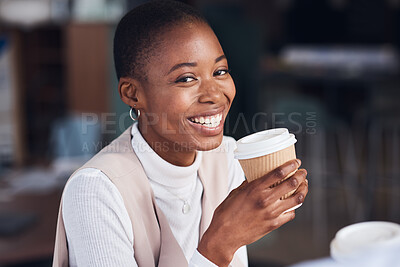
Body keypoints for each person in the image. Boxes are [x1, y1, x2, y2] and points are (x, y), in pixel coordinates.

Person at [52, 1, 309, 267]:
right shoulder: (96, 190)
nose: (214, 95)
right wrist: (220, 244)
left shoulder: (227, 159)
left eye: (220, 72)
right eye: (186, 78)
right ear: (132, 94)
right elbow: (220, 251)